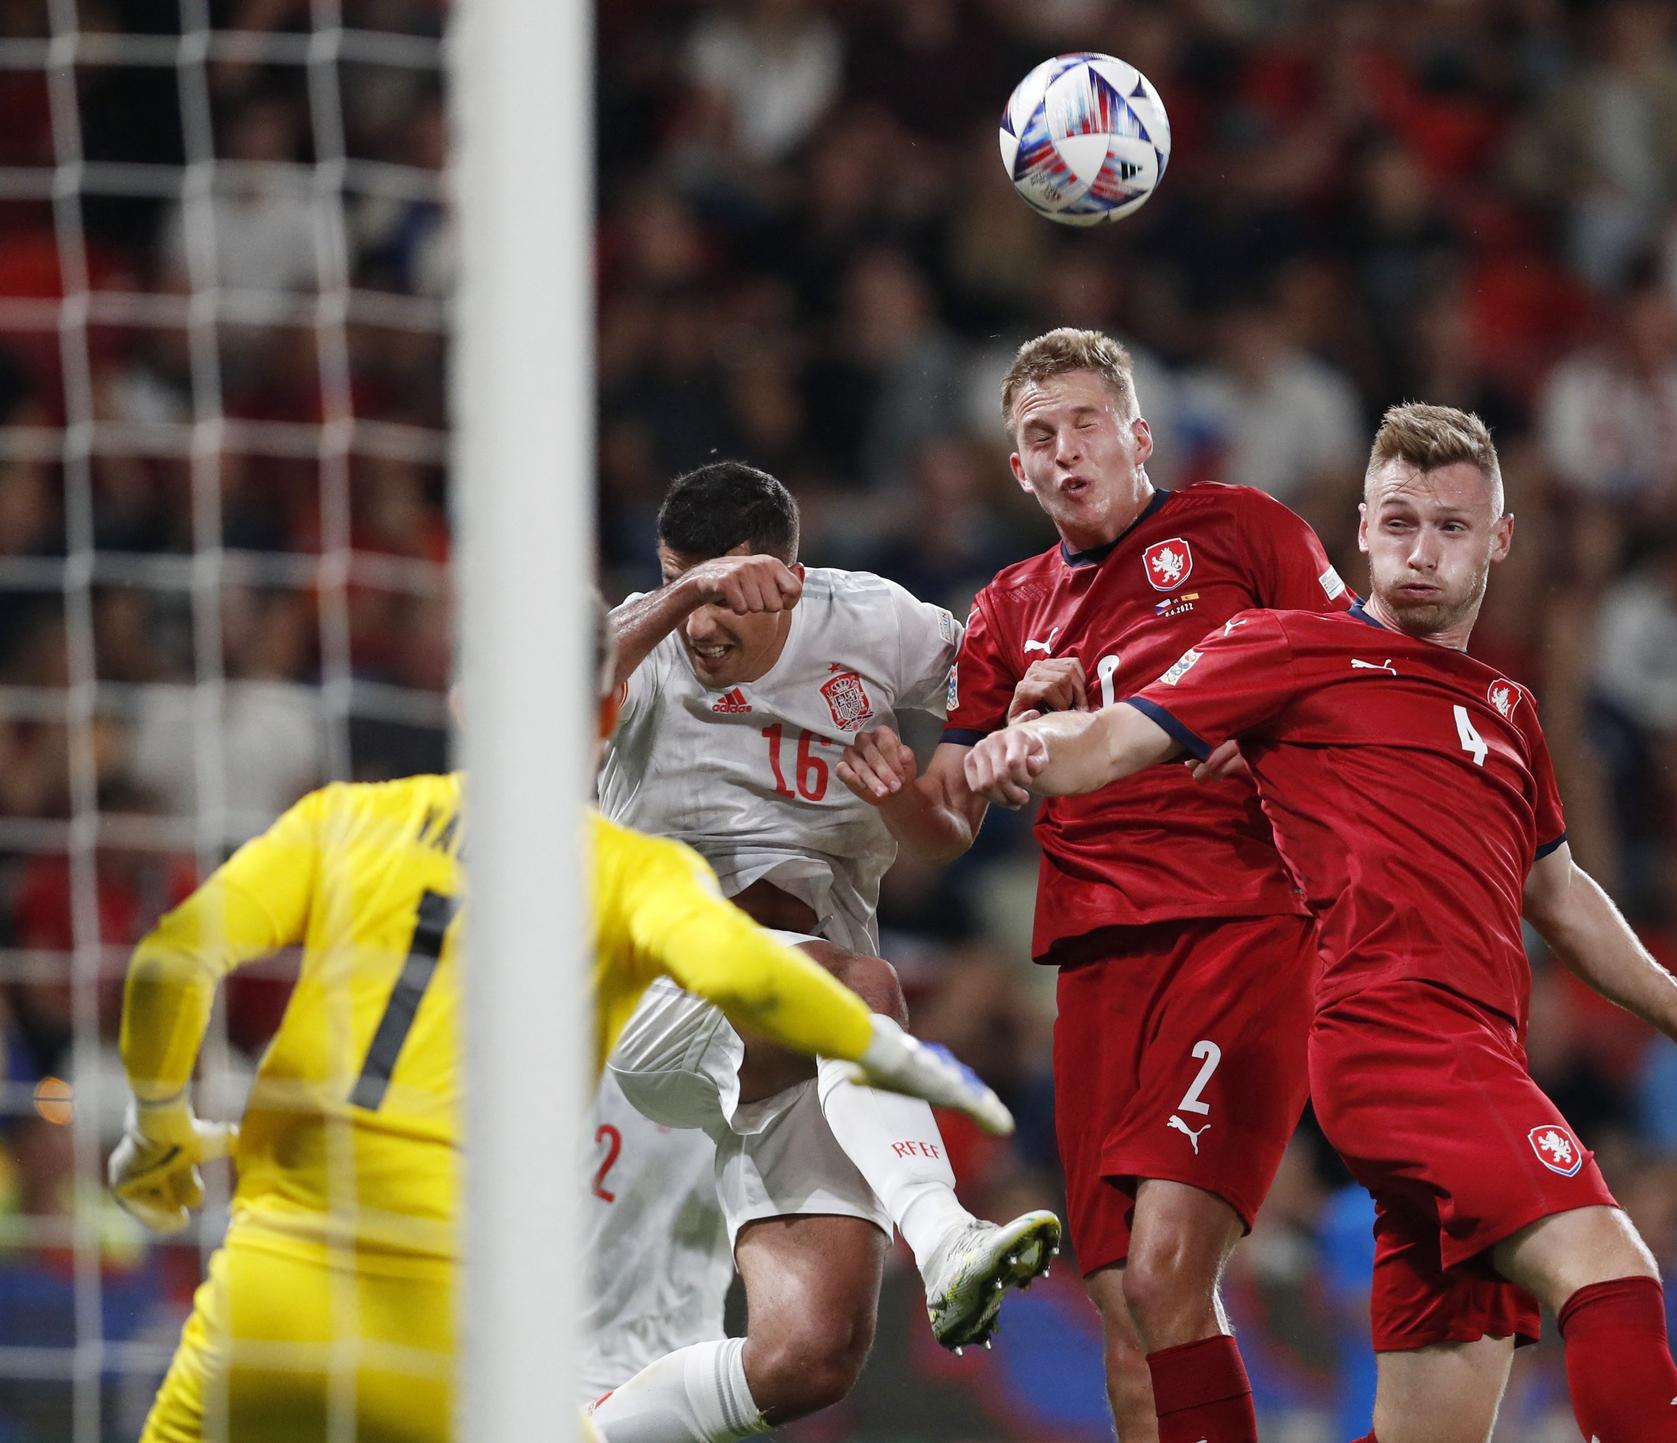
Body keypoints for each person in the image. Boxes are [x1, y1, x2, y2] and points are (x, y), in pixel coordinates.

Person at [962, 403, 1677, 1443]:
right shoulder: (1287, 650)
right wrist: (1025, 744)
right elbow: (1107, 746)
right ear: (1359, 529)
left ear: (1496, 540)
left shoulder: (1506, 710)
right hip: (1394, 1039)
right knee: (1606, 1267)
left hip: (1480, 1056)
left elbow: (1560, 894)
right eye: (1397, 522)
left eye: (1449, 527)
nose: (1419, 551)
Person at [109, 602, 1012, 1443]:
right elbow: (757, 974)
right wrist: (887, 1050)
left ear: (461, 695)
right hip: (446, 1316)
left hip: (270, 1286)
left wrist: (155, 1126)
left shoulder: (347, 819)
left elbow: (168, 961)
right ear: (613, 709)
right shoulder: (630, 872)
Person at [838, 328, 1349, 1443]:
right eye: (1037, 437)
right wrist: (904, 790)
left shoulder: (1240, 531)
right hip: (1094, 964)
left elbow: (1357, 685)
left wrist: (1253, 727)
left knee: (1168, 1274)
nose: (1065, 451)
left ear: (1137, 435)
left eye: (1083, 424)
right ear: (1014, 471)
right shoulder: (1006, 611)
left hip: (1240, 931)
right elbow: (947, 825)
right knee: (1125, 1309)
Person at [584, 463, 1059, 1443]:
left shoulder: (873, 625)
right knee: (861, 984)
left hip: (800, 1043)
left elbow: (969, 766)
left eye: (731, 599)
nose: (705, 628)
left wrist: (993, 738)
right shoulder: (644, 643)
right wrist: (682, 595)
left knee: (810, 1357)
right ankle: (942, 1231)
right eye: (687, 590)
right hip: (646, 997)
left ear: (787, 580)